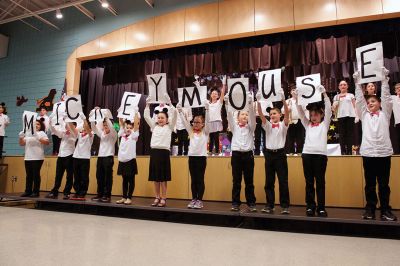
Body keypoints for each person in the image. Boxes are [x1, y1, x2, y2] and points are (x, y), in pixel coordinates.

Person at [354, 68, 397, 221]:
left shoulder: (385, 113)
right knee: (370, 184)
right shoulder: (364, 115)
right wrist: (357, 82)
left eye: (373, 101)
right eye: (369, 102)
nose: (370, 103)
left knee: (384, 184)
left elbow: (386, 97)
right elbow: (359, 100)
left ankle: (385, 210)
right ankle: (370, 209)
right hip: (368, 153)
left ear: (379, 103)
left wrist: (385, 79)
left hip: (384, 153)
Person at [295, 85, 331, 217]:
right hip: (307, 155)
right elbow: (300, 112)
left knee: (320, 182)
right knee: (309, 182)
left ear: (321, 115)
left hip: (320, 156)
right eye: (311, 114)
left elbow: (329, 111)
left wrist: (325, 95)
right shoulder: (307, 124)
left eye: (316, 114)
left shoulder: (324, 124)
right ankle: (310, 206)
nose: (313, 116)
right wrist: (297, 98)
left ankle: (321, 208)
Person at [257, 92, 290, 214]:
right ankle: (269, 205)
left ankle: (285, 206)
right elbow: (260, 115)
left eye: (274, 113)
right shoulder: (268, 126)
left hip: (280, 155)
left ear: (280, 115)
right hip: (269, 155)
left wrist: (283, 99)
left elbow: (287, 113)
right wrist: (259, 102)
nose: (272, 115)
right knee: (269, 181)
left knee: (283, 181)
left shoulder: (283, 125)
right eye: (270, 114)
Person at [225, 92, 257, 212]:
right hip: (237, 156)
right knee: (236, 180)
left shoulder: (251, 127)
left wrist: (249, 103)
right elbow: (229, 115)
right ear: (237, 117)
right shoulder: (234, 127)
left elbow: (253, 117)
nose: (245, 116)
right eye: (242, 114)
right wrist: (227, 103)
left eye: (246, 114)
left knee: (249, 181)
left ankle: (251, 203)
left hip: (248, 156)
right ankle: (235, 203)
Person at [144, 94, 177, 207]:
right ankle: (157, 197)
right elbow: (146, 117)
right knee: (155, 178)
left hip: (164, 153)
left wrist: (170, 104)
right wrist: (147, 105)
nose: (160, 119)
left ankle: (164, 197)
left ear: (167, 119)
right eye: (159, 118)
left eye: (163, 117)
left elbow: (175, 115)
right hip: (154, 153)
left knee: (163, 178)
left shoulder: (170, 127)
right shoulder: (154, 126)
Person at [178, 103, 209, 209]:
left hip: (201, 158)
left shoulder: (205, 132)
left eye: (198, 122)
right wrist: (180, 111)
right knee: (193, 179)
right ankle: (194, 199)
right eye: (194, 122)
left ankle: (200, 200)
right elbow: (184, 122)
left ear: (203, 124)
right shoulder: (191, 131)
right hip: (192, 158)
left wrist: (207, 109)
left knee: (200, 179)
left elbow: (208, 122)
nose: (195, 124)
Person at [45, 115, 77, 199]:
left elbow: (71, 127)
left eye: (69, 125)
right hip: (61, 156)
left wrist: (67, 119)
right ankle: (54, 191)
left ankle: (67, 192)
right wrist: (51, 123)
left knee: (69, 175)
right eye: (66, 125)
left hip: (69, 155)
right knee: (58, 175)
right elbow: (55, 131)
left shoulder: (74, 133)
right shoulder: (63, 133)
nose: (67, 126)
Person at [91, 109, 118, 203]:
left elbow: (111, 125)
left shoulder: (113, 134)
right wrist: (92, 118)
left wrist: (106, 117)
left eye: (107, 125)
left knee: (108, 177)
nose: (105, 126)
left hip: (108, 157)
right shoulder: (102, 134)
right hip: (100, 157)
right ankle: (100, 194)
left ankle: (107, 195)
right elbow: (94, 128)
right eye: (104, 125)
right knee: (99, 176)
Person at [19, 118, 50, 197]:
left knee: (36, 174)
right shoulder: (28, 133)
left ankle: (36, 192)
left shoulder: (42, 133)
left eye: (38, 124)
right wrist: (21, 137)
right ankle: (28, 191)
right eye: (35, 124)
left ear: (41, 126)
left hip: (38, 157)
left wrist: (38, 137)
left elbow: (47, 142)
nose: (36, 125)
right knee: (29, 175)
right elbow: (21, 144)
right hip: (28, 157)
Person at [116, 112, 140, 205]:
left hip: (130, 161)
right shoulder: (121, 134)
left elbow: (137, 124)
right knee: (124, 180)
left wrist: (135, 113)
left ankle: (129, 197)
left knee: (131, 180)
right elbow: (121, 122)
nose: (129, 129)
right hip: (122, 160)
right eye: (127, 127)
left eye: (131, 128)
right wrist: (121, 112)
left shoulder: (134, 135)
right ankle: (124, 197)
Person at [71, 113, 93, 200]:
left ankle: (82, 193)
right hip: (76, 157)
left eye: (85, 127)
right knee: (76, 176)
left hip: (85, 158)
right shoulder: (79, 135)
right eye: (83, 127)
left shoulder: (91, 135)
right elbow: (72, 128)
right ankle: (77, 191)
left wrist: (84, 119)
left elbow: (87, 128)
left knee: (84, 176)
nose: (84, 128)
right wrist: (67, 119)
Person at [332, 80, 358, 155]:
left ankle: (350, 151)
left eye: (344, 84)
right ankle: (342, 151)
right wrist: (334, 106)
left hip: (350, 116)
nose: (343, 86)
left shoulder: (351, 95)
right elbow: (333, 109)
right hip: (340, 117)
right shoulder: (336, 96)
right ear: (339, 87)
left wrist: (357, 116)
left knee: (350, 134)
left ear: (347, 86)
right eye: (341, 85)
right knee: (342, 135)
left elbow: (355, 106)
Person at [284, 87, 305, 154]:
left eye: (295, 90)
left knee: (300, 138)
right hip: (290, 121)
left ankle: (300, 152)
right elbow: (281, 111)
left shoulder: (302, 100)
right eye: (293, 90)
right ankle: (291, 152)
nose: (294, 91)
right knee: (290, 138)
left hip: (299, 121)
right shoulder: (287, 101)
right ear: (290, 92)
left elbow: (305, 109)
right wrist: (287, 110)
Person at [208, 78, 226, 155]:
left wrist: (224, 84)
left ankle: (217, 151)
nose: (214, 94)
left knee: (216, 137)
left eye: (216, 93)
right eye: (213, 93)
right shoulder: (208, 104)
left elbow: (222, 94)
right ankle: (210, 151)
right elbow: (201, 97)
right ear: (211, 95)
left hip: (217, 121)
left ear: (218, 96)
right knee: (211, 137)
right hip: (210, 122)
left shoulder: (219, 102)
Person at [391, 83, 400, 154]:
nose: (399, 89)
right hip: (398, 122)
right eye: (397, 88)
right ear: (395, 91)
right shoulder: (393, 98)